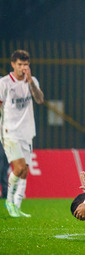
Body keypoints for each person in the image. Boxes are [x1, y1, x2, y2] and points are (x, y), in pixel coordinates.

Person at [0, 50, 44, 217]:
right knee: (18, 168)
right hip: (9, 132)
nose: (23, 68)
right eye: (20, 64)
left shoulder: (31, 81)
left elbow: (40, 99)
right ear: (13, 64)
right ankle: (9, 201)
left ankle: (17, 206)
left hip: (27, 131)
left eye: (26, 64)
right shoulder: (4, 83)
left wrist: (31, 81)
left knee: (25, 170)